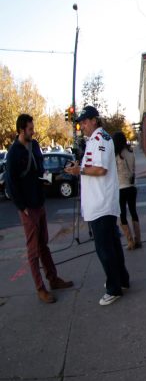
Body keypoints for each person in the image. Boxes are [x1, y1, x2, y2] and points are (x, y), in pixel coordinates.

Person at [64, 106, 130, 306]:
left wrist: (79, 170)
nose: (82, 126)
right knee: (113, 245)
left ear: (94, 120)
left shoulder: (101, 139)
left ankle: (113, 288)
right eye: (81, 123)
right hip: (100, 203)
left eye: (85, 122)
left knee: (105, 249)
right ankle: (122, 280)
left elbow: (100, 169)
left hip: (101, 204)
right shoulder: (95, 140)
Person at [7, 114, 73, 303]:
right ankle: (40, 288)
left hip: (39, 202)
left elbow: (38, 170)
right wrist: (22, 207)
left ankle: (53, 279)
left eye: (32, 128)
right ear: (21, 130)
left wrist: (47, 177)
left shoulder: (34, 145)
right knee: (33, 250)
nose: (33, 131)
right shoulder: (13, 153)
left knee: (43, 244)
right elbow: (11, 184)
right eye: (29, 129)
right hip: (27, 207)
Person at [113, 131, 141, 249]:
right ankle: (138, 239)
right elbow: (133, 168)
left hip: (121, 188)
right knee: (133, 212)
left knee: (123, 215)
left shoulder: (116, 156)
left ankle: (130, 242)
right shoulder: (131, 153)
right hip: (132, 187)